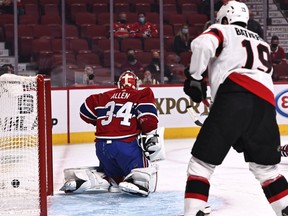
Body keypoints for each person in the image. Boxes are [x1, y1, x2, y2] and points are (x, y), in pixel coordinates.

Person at [183, 1, 288, 215]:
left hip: (234, 96)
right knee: (267, 170)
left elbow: (202, 45)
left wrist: (194, 77)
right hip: (265, 105)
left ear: (224, 18)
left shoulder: (223, 30)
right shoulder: (262, 42)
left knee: (201, 165)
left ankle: (192, 212)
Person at [60, 70, 164, 196]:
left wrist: (101, 122)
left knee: (113, 177)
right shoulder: (141, 94)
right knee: (147, 170)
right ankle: (138, 182)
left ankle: (95, 180)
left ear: (119, 84)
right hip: (126, 146)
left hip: (102, 148)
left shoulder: (103, 96)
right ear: (136, 84)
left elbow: (84, 111)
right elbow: (149, 121)